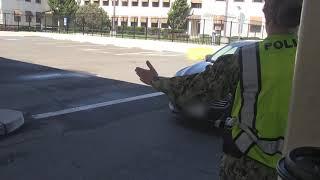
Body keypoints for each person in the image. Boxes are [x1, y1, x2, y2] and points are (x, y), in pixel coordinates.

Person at [135, 0, 303, 179]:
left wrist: (156, 80)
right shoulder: (311, 58)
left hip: (247, 165)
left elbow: (196, 91)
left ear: (267, 14)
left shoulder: (246, 58)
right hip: (296, 166)